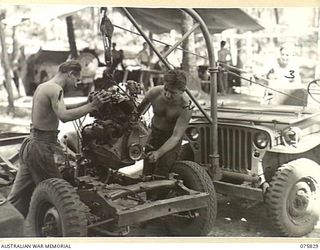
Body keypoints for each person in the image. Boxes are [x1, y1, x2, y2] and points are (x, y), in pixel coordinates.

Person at [7, 60, 108, 217]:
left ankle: (6, 222)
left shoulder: (45, 86)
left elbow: (62, 109)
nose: (76, 83)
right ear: (70, 74)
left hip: (32, 143)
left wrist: (86, 102)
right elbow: (64, 116)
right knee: (60, 194)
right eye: (76, 79)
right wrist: (92, 106)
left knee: (17, 195)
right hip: (41, 147)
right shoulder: (56, 89)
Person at [137, 69, 193, 179]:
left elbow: (176, 136)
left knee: (161, 173)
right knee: (147, 172)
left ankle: (161, 196)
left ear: (182, 91)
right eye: (166, 89)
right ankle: (149, 196)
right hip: (153, 134)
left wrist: (159, 153)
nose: (167, 95)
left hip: (170, 139)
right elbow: (137, 114)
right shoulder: (154, 93)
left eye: (173, 93)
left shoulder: (186, 107)